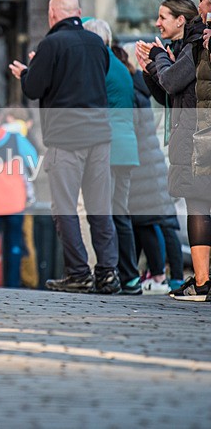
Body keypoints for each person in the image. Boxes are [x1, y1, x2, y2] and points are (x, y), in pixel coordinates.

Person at [9, 0, 120, 294]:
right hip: (100, 136)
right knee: (100, 207)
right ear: (78, 12)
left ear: (52, 14)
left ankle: (79, 273)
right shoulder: (97, 43)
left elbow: (34, 88)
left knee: (66, 208)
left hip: (66, 138)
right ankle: (108, 272)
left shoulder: (51, 44)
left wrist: (27, 72)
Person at [136, 0, 211, 301]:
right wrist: (152, 67)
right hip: (193, 132)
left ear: (181, 20)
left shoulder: (195, 44)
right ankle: (202, 279)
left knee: (197, 204)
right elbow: (168, 94)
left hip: (198, 134)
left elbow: (172, 82)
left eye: (163, 17)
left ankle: (203, 281)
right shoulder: (193, 43)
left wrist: (157, 60)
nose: (157, 23)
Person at [113, 44, 182, 294]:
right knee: (148, 221)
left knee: (148, 222)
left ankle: (158, 275)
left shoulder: (130, 89)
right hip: (146, 158)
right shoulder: (138, 87)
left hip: (141, 161)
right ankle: (152, 274)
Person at [83, 18, 142, 295]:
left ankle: (108, 273)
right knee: (120, 214)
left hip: (107, 148)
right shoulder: (120, 66)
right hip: (126, 148)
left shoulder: (98, 66)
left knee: (103, 213)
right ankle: (129, 276)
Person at [0, 105, 38, 288]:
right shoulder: (15, 138)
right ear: (1, 115)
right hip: (14, 200)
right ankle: (11, 286)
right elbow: (33, 160)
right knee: (13, 245)